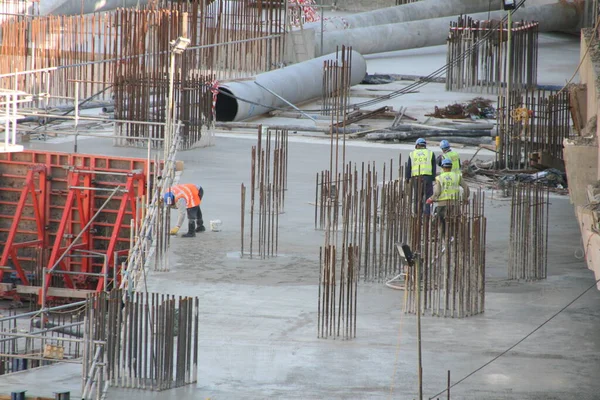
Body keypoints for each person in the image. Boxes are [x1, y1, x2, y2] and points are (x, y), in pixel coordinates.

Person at [426, 158, 470, 238]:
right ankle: (454, 237)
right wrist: (465, 198)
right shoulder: (457, 176)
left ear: (442, 167)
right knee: (454, 221)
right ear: (451, 167)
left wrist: (431, 199)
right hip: (455, 204)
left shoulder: (439, 177)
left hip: (442, 204)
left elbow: (437, 192)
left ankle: (438, 238)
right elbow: (466, 188)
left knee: (440, 221)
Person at [405, 138, 436, 215]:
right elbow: (433, 168)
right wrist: (432, 178)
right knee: (428, 197)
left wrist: (407, 178)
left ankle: (417, 213)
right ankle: (427, 214)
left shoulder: (412, 154)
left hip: (416, 178)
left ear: (417, 145)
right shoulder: (430, 153)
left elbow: (409, 167)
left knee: (417, 197)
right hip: (427, 178)